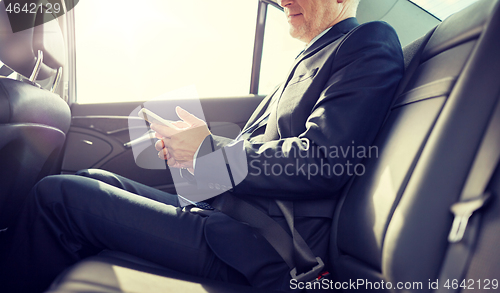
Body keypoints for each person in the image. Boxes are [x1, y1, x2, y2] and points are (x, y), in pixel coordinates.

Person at [0, 0, 404, 292]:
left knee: (57, 196)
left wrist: (207, 150)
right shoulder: (309, 57)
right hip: (220, 215)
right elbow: (260, 152)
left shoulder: (368, 42)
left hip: (257, 246)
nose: (284, 0)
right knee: (91, 178)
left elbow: (323, 161)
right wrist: (191, 153)